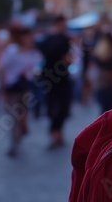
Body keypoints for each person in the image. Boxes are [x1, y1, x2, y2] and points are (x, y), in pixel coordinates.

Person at [0, 26, 43, 156]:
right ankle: (14, 144)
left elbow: (38, 68)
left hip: (25, 88)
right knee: (14, 117)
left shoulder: (34, 53)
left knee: (22, 116)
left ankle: (21, 132)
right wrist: (2, 89)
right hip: (12, 88)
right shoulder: (12, 51)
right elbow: (2, 68)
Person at [37, 14, 73, 149]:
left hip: (50, 78)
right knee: (61, 106)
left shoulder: (46, 39)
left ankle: (55, 132)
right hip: (60, 78)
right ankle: (56, 132)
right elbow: (67, 58)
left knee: (53, 105)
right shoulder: (63, 39)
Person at [90, 30, 112, 114]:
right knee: (108, 108)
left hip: (101, 84)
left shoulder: (100, 49)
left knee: (104, 109)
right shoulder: (109, 53)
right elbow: (111, 70)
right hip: (107, 84)